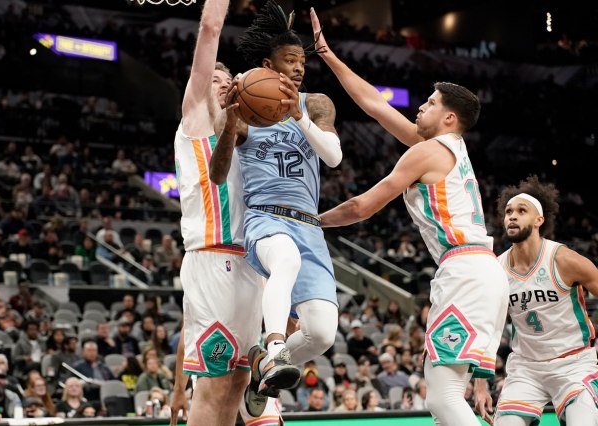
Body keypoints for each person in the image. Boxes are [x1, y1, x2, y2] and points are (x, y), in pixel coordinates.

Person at [308, 8, 509, 425]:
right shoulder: (446, 148)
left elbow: (363, 206)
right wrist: (328, 55)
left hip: (464, 272)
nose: (420, 106)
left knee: (442, 398)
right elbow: (374, 105)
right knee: (444, 397)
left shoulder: (427, 152)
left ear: (449, 117)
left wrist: (311, 220)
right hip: (482, 271)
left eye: (430, 103)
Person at [212, 0, 341, 406]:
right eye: (290, 60)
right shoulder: (243, 110)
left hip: (309, 225)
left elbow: (333, 157)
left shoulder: (315, 103)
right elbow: (217, 175)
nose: (299, 67)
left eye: (302, 61)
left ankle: (261, 373)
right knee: (285, 259)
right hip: (265, 217)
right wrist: (229, 126)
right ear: (269, 65)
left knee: (322, 333)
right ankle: (274, 348)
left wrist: (298, 117)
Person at [172, 0, 281, 425]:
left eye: (227, 79)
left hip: (248, 265)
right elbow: (210, 29)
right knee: (213, 386)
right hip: (212, 257)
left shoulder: (242, 135)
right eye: (214, 79)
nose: (222, 84)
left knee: (237, 382)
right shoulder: (196, 118)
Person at [474, 176, 598, 426]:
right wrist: (480, 386)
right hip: (526, 368)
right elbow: (488, 328)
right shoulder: (497, 269)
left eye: (521, 211)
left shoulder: (563, 260)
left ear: (539, 220)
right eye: (508, 211)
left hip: (573, 363)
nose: (512, 216)